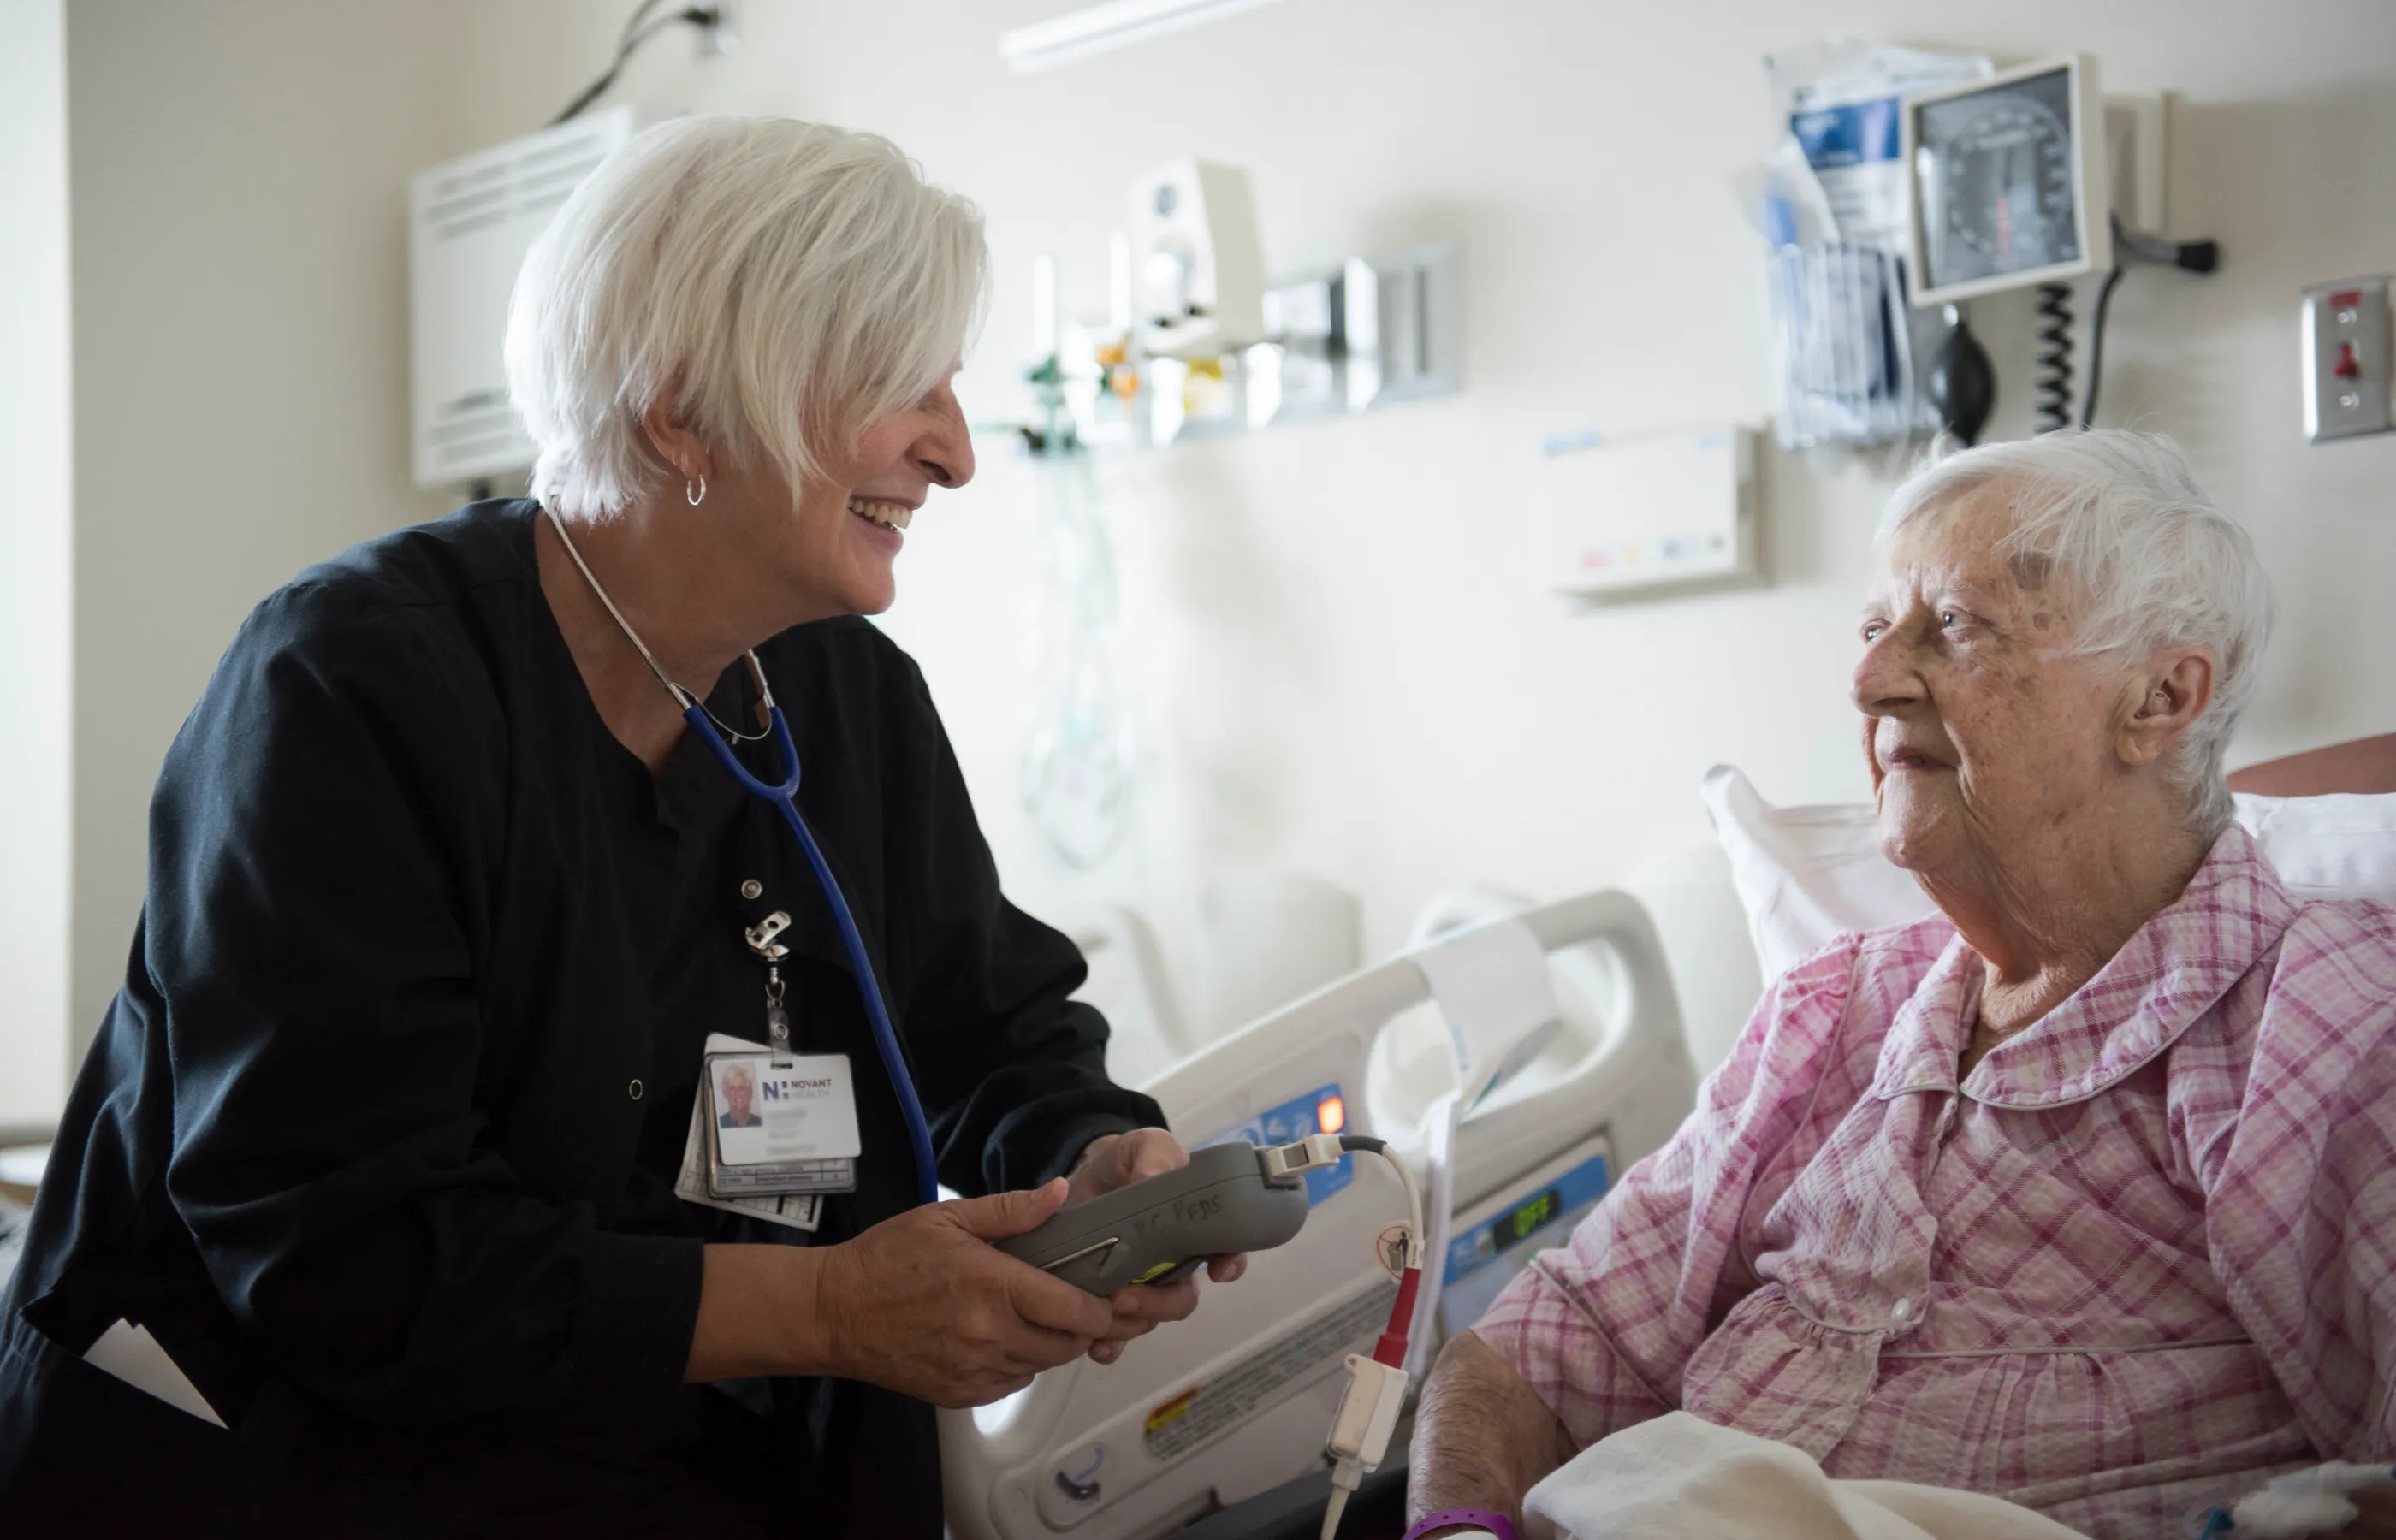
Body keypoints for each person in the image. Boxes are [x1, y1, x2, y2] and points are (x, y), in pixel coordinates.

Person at [0, 116, 1242, 1538]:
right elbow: (347, 1258)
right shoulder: (351, 689)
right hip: (304, 1482)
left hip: (700, 1477)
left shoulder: (842, 696)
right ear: (682, 417)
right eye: (902, 382)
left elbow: (984, 1029)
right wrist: (832, 1307)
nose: (954, 452)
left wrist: (1088, 1157)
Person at [1408, 431, 2396, 1540]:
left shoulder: (2321, 1023)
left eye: (1954, 626)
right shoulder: (1831, 1018)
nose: (1870, 680)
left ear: (2159, 698)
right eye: (1876, 627)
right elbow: (1536, 1347)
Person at [716, 1064, 762, 1130]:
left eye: (742, 1088)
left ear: (750, 1093)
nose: (737, 1093)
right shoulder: (719, 1124)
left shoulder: (760, 1123)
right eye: (732, 1088)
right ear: (725, 1093)